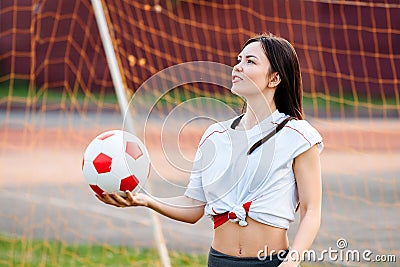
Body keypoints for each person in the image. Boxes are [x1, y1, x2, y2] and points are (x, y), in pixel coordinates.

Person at [96, 33, 323, 267]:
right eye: (239, 59)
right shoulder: (215, 136)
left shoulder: (299, 137)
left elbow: (311, 212)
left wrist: (290, 263)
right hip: (218, 261)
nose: (238, 67)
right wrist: (146, 200)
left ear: (274, 78)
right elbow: (194, 206)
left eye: (250, 61)